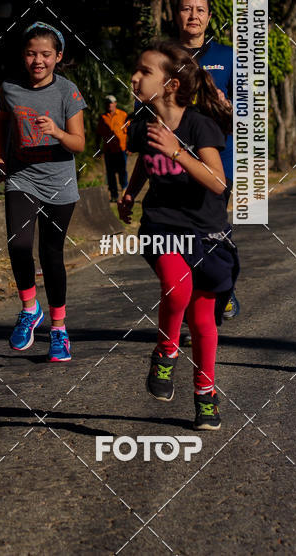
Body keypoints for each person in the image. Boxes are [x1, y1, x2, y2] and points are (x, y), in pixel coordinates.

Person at [119, 40, 238, 430]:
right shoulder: (143, 124)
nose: (135, 77)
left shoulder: (199, 124)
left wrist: (177, 152)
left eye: (145, 71)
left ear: (170, 84)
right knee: (176, 286)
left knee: (204, 320)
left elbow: (219, 182)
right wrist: (132, 191)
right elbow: (143, 162)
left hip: (206, 229)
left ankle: (206, 395)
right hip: (162, 223)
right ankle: (165, 354)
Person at [0, 22, 86, 362]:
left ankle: (59, 329)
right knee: (18, 244)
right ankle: (30, 309)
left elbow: (79, 144)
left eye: (46, 54)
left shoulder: (67, 92)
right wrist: (2, 155)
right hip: (22, 177)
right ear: (23, 55)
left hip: (59, 183)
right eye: (31, 54)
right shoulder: (10, 88)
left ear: (58, 57)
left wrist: (57, 131)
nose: (38, 61)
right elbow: (2, 120)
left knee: (50, 255)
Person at [174, 0, 240, 322]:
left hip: (218, 159)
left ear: (209, 18)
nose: (193, 15)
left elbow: (247, 109)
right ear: (177, 15)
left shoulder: (227, 56)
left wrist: (227, 107)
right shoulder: (164, 58)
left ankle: (224, 287)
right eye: (187, 9)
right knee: (183, 234)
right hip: (176, 159)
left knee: (213, 230)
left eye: (200, 10)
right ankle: (192, 312)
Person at [96, 95, 129, 202]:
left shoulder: (123, 115)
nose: (109, 105)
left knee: (122, 171)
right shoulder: (103, 118)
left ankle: (125, 191)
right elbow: (98, 135)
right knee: (110, 174)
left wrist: (130, 146)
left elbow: (130, 132)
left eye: (111, 103)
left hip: (121, 149)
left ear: (115, 103)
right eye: (107, 103)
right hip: (108, 151)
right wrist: (98, 149)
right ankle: (114, 195)